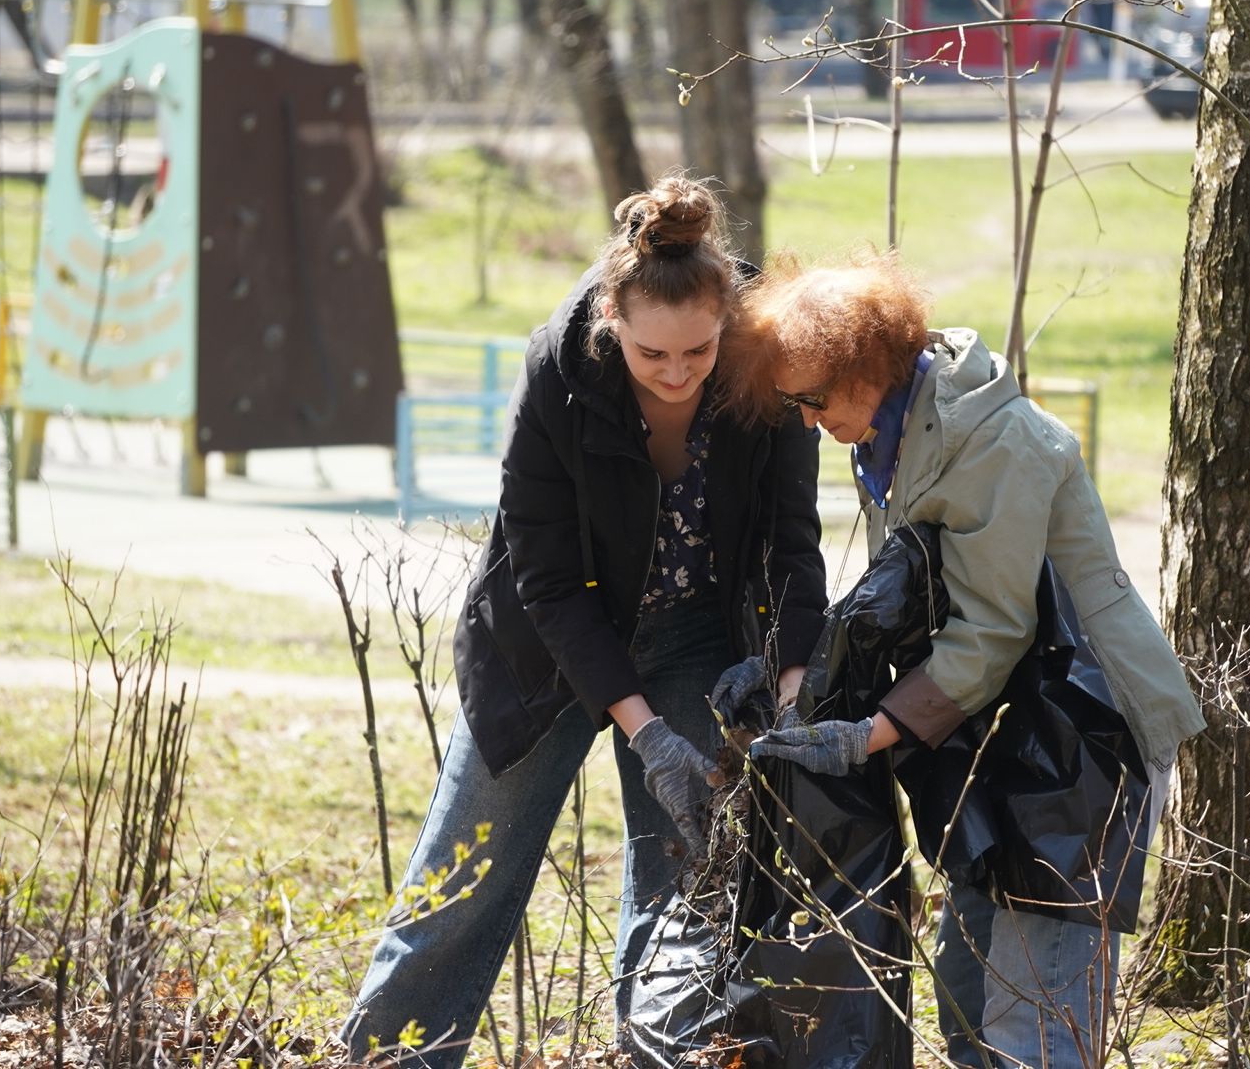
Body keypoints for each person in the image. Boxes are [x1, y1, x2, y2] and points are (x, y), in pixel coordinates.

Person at [342, 175, 827, 1067]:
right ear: (612, 320)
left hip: (693, 641)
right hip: (545, 652)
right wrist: (647, 737)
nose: (678, 375)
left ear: (728, 324)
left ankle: (657, 1055)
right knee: (463, 880)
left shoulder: (768, 372)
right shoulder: (557, 376)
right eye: (652, 356)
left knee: (687, 890)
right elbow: (548, 580)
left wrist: (792, 694)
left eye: (698, 352)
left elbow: (791, 544)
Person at [724, 252, 1205, 1069]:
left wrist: (867, 736)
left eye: (812, 398)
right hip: (1006, 740)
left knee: (1033, 1021)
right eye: (793, 403)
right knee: (968, 997)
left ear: (869, 367)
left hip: (1082, 740)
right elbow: (910, 602)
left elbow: (990, 630)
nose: (806, 421)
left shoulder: (989, 440)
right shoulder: (891, 434)